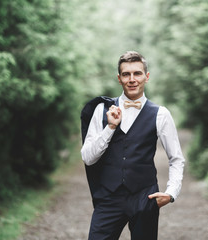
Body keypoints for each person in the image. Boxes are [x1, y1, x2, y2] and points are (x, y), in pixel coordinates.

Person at [81, 51, 185, 240]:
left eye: (137, 73)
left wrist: (171, 193)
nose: (132, 79)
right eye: (126, 74)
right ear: (119, 78)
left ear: (146, 77)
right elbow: (88, 158)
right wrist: (110, 127)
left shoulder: (161, 114)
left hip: (144, 198)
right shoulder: (101, 109)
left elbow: (176, 158)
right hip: (108, 198)